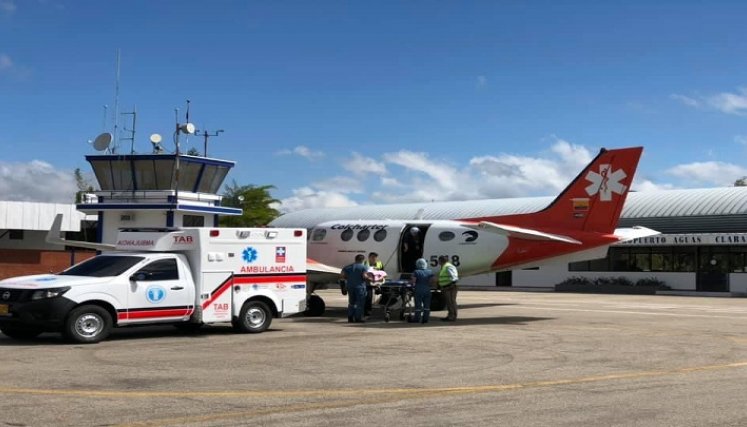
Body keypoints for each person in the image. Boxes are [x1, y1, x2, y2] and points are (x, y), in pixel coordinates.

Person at [341, 254, 370, 323]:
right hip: (360, 287)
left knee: (351, 302)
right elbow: (364, 276)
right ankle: (358, 318)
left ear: (355, 259)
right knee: (360, 303)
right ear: (362, 260)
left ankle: (350, 317)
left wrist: (344, 286)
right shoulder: (364, 267)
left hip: (350, 287)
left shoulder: (347, 267)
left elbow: (342, 276)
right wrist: (371, 279)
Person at [410, 258, 435, 323]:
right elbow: (433, 280)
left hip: (418, 290)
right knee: (427, 305)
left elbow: (413, 281)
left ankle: (417, 319)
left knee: (418, 305)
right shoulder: (430, 272)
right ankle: (425, 319)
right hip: (427, 289)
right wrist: (429, 285)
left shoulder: (416, 272)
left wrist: (411, 285)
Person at [437, 255, 459, 321]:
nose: (438, 262)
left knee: (451, 302)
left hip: (450, 288)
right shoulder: (444, 267)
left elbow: (454, 277)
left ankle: (452, 317)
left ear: (441, 261)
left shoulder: (448, 266)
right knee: (449, 303)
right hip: (446, 287)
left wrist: (451, 285)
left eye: (439, 261)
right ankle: (450, 315)